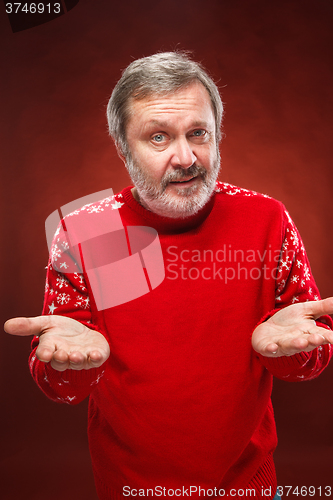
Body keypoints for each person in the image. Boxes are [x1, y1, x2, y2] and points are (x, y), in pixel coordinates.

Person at [5, 52, 333, 500]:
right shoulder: (87, 231)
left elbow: (310, 357)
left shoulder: (267, 218)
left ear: (217, 134)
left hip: (249, 488)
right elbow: (60, 387)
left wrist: (291, 352)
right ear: (123, 147)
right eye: (158, 137)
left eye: (198, 133)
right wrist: (70, 366)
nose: (185, 157)